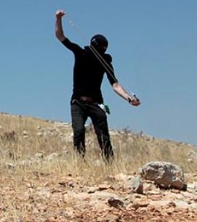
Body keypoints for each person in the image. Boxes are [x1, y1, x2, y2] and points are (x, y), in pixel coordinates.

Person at [55, 10, 140, 162]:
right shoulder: (80, 53)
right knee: (79, 131)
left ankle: (110, 163)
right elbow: (60, 37)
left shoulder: (105, 62)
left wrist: (128, 98)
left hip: (96, 103)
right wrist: (58, 18)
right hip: (77, 102)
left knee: (103, 134)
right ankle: (79, 162)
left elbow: (115, 84)